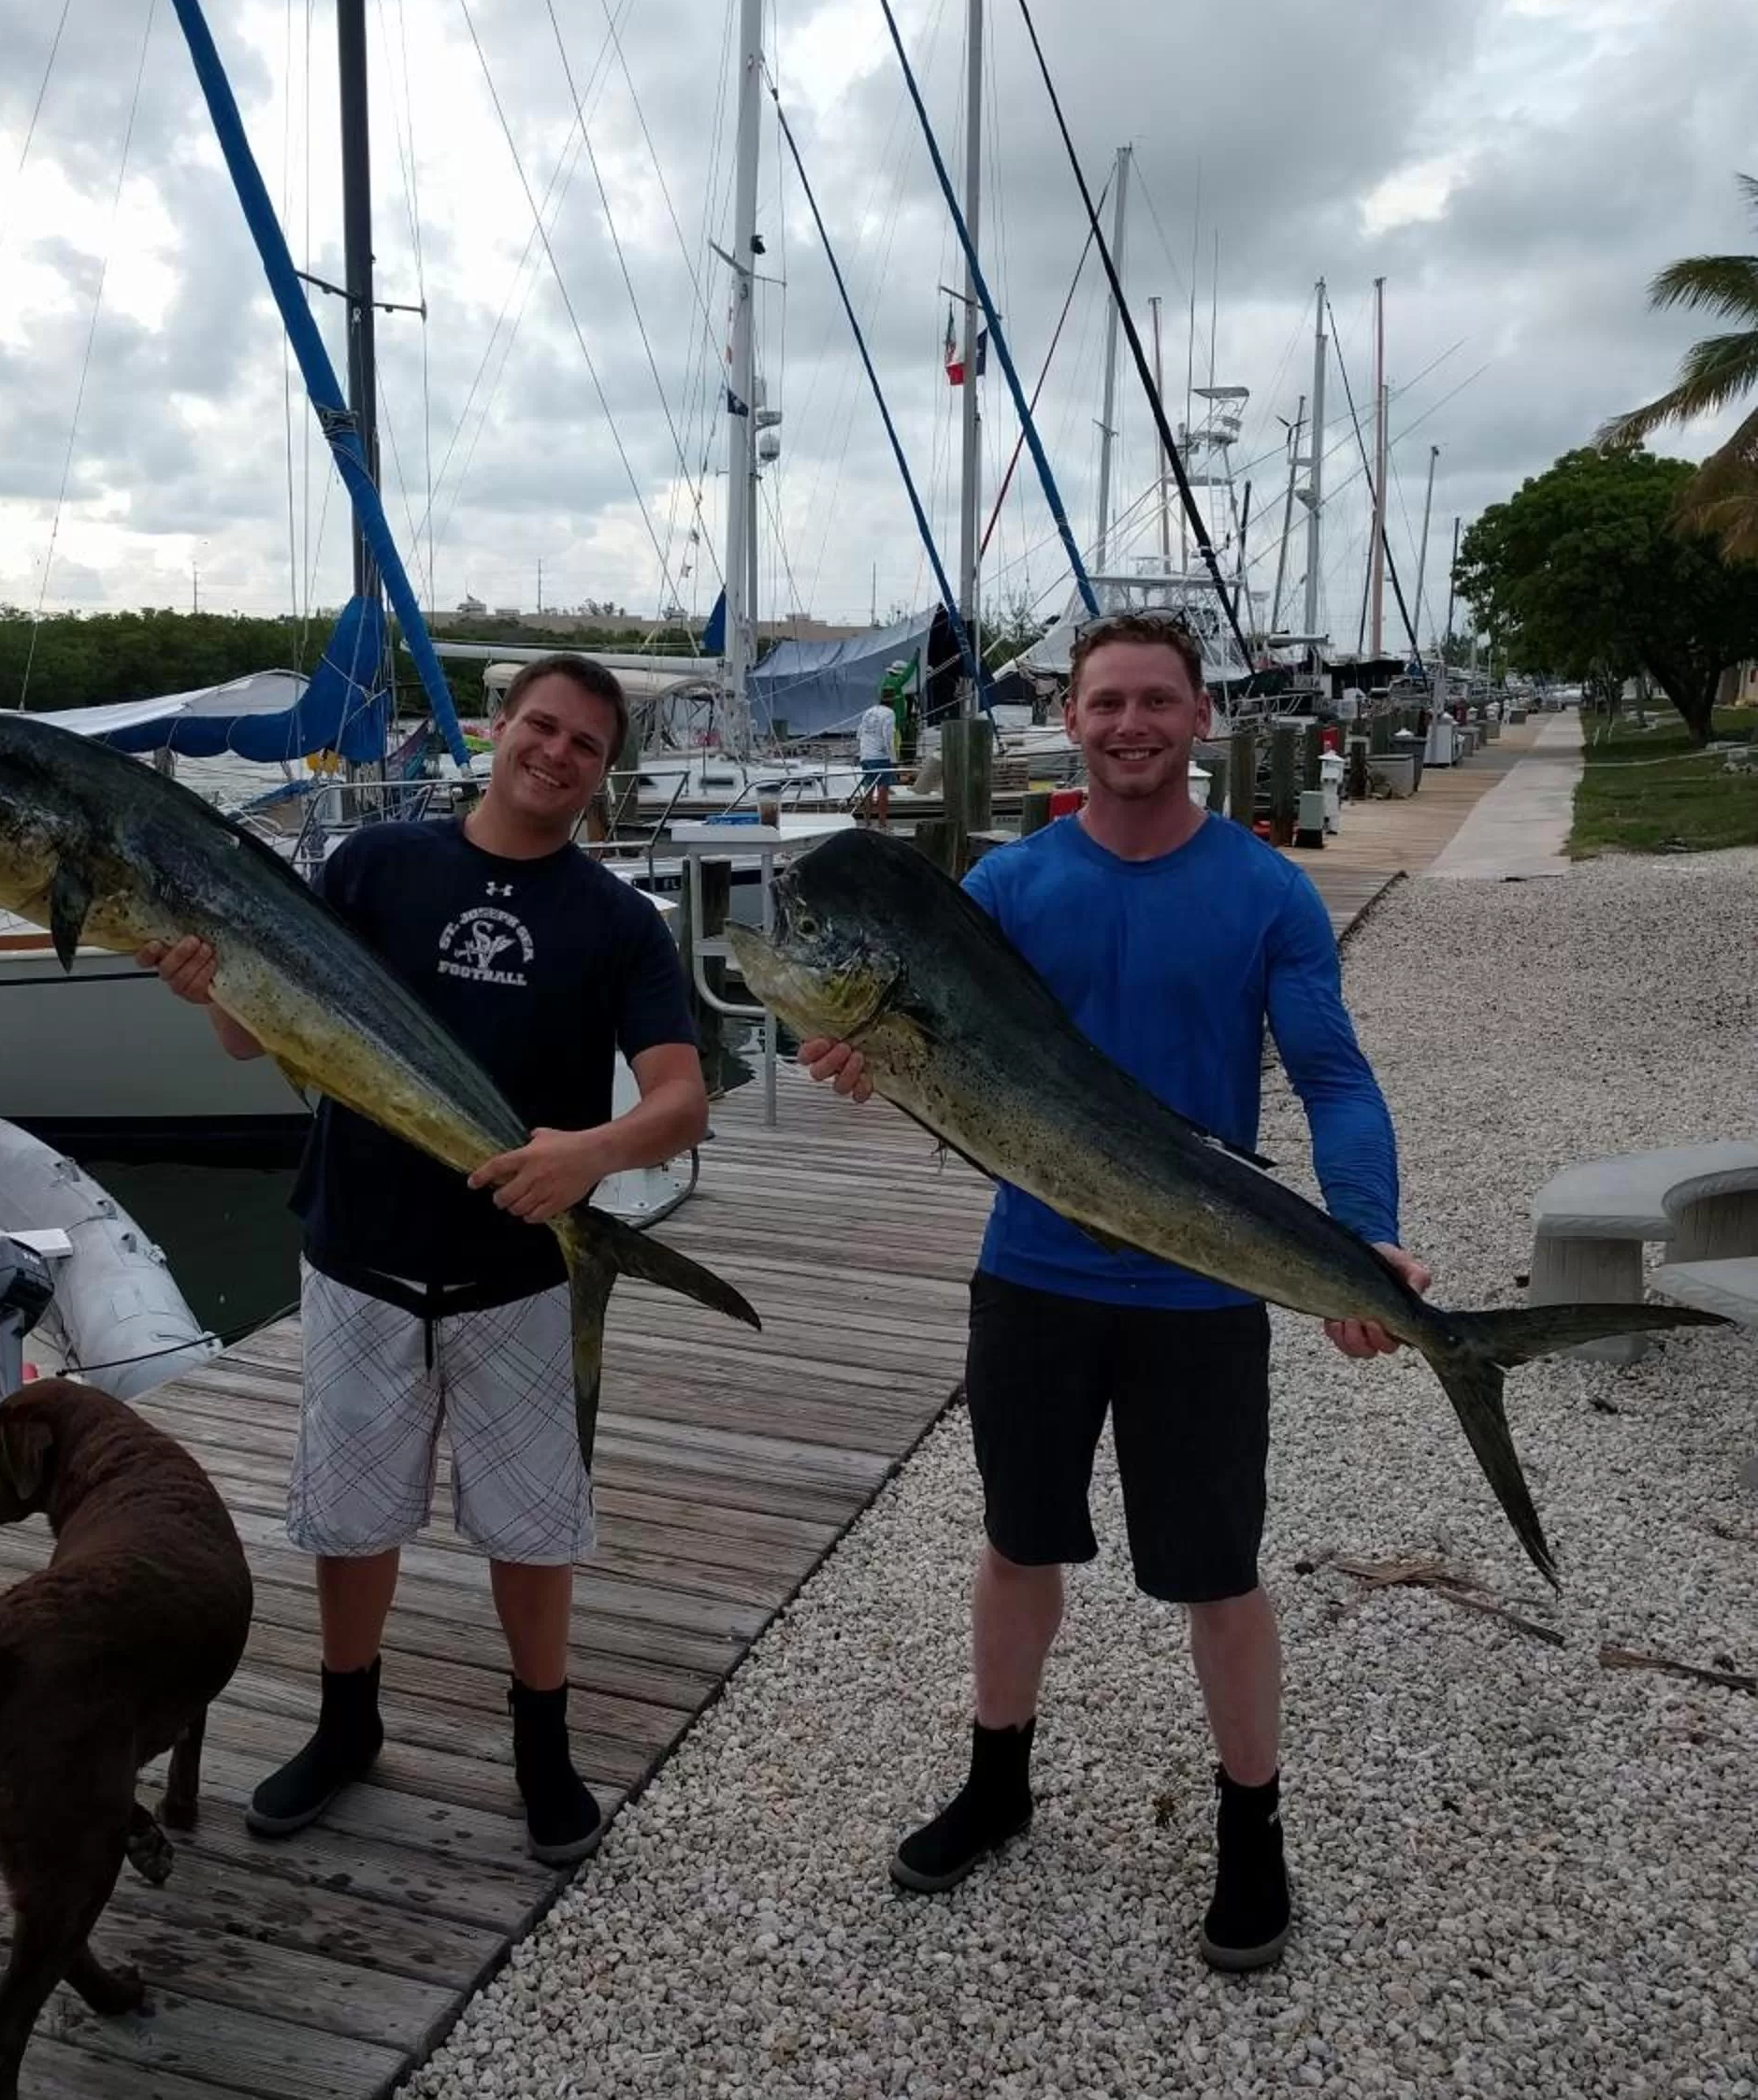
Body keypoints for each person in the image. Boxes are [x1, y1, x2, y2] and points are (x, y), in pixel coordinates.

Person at [800, 611, 1429, 1970]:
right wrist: (863, 1059)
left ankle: (1251, 1828)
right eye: (1104, 704)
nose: (1129, 725)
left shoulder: (1266, 891)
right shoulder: (1011, 887)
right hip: (1031, 1277)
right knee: (1017, 1545)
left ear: (1200, 717)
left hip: (1199, 1292)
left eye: (1155, 701)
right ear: (1068, 721)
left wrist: (1360, 1236)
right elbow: (939, 1053)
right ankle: (997, 1778)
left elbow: (1330, 1077)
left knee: (1218, 1576)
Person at [143, 654, 710, 1864]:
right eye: (540, 728)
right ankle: (347, 1724)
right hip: (360, 1253)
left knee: (533, 1523)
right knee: (348, 1517)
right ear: (500, 727)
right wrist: (199, 980)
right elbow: (251, 1033)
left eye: (585, 747)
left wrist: (589, 1159)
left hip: (519, 1274)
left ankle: (540, 1743)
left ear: (604, 775)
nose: (555, 755)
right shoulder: (374, 864)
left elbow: (679, 1103)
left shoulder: (614, 921)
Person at [856, 693, 900, 820]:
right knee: (883, 789)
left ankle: (867, 821)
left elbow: (859, 734)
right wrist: (893, 759)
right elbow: (888, 737)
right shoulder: (890, 713)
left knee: (868, 788)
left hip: (866, 755)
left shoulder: (868, 712)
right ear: (892, 702)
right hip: (880, 756)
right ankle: (882, 823)